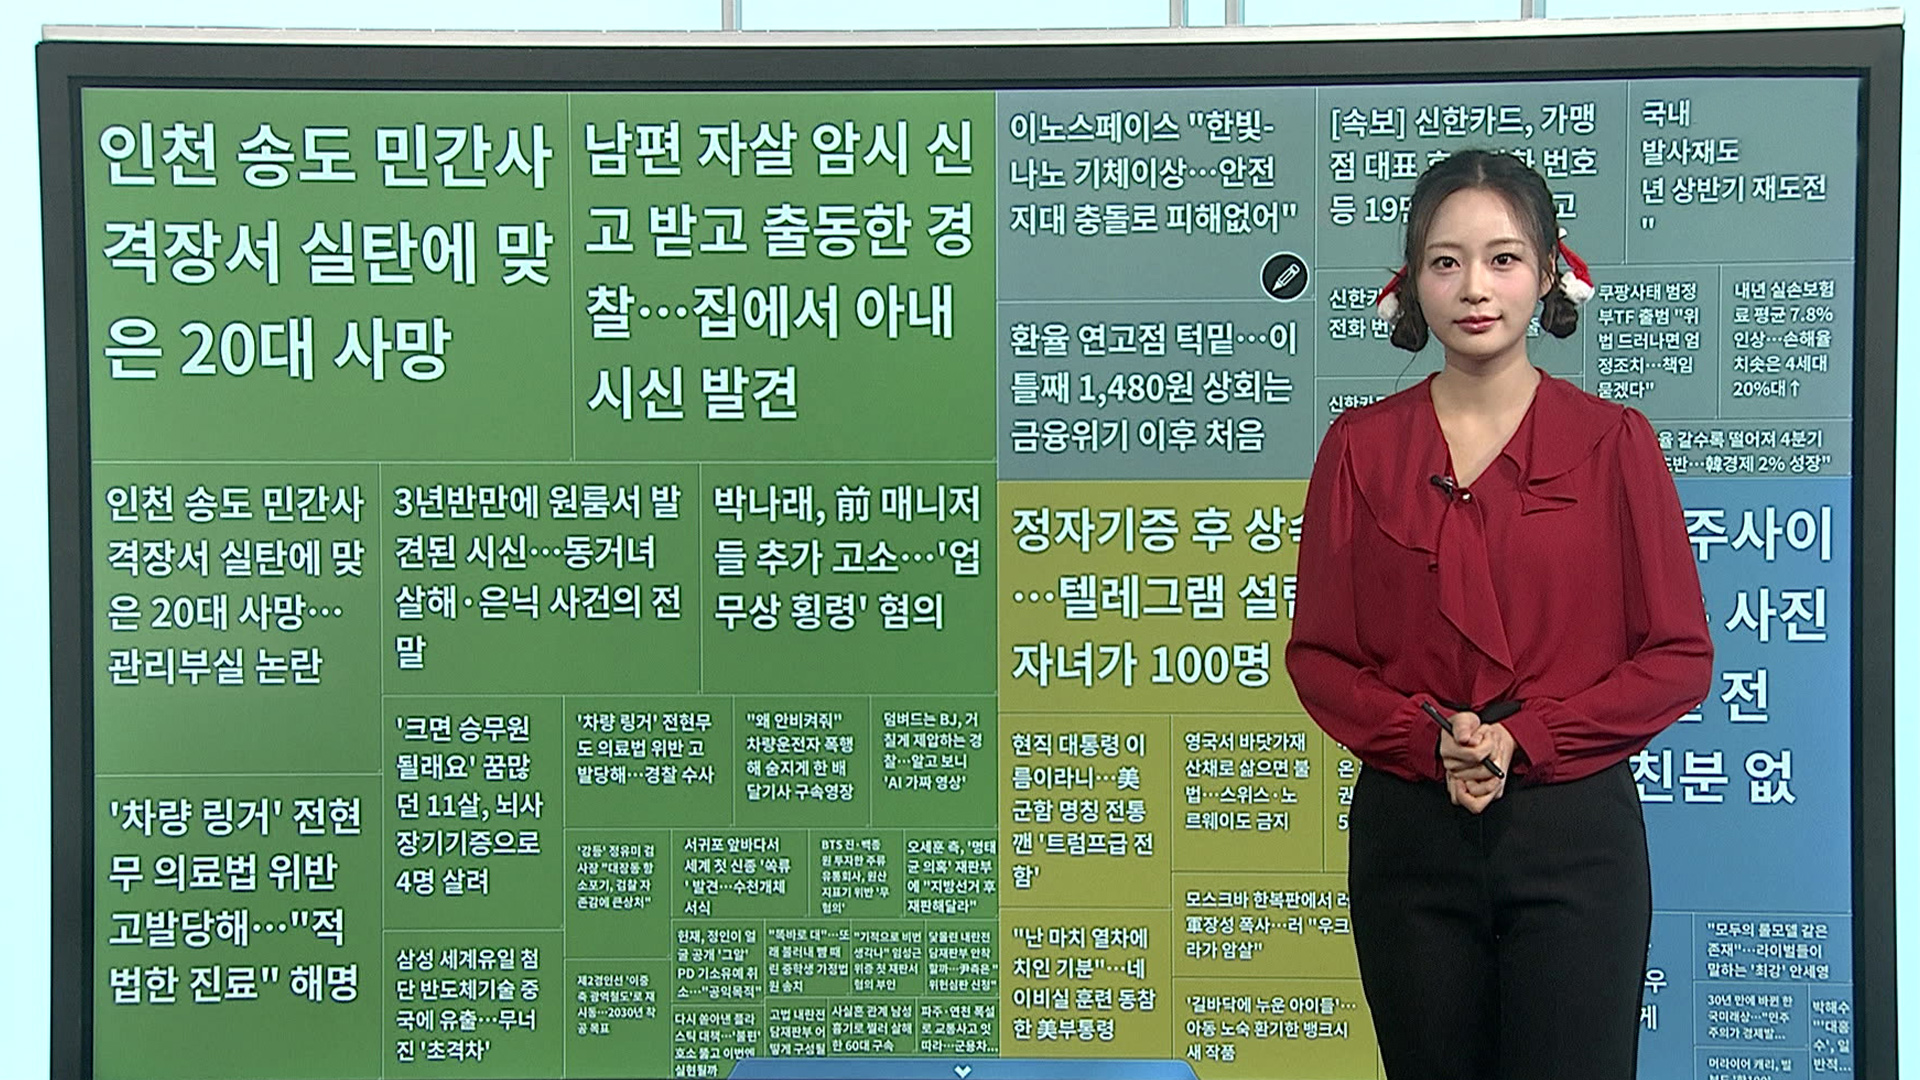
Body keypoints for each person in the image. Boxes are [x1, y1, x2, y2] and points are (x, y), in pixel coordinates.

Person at [1283, 149, 1714, 1080]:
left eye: (1503, 259)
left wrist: (1529, 739)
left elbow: (1677, 656)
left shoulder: (1615, 442)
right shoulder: (1358, 447)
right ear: (1411, 281)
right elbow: (1319, 657)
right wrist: (1427, 741)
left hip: (1573, 834)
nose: (1474, 287)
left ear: (1551, 272)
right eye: (1446, 262)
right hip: (1411, 835)